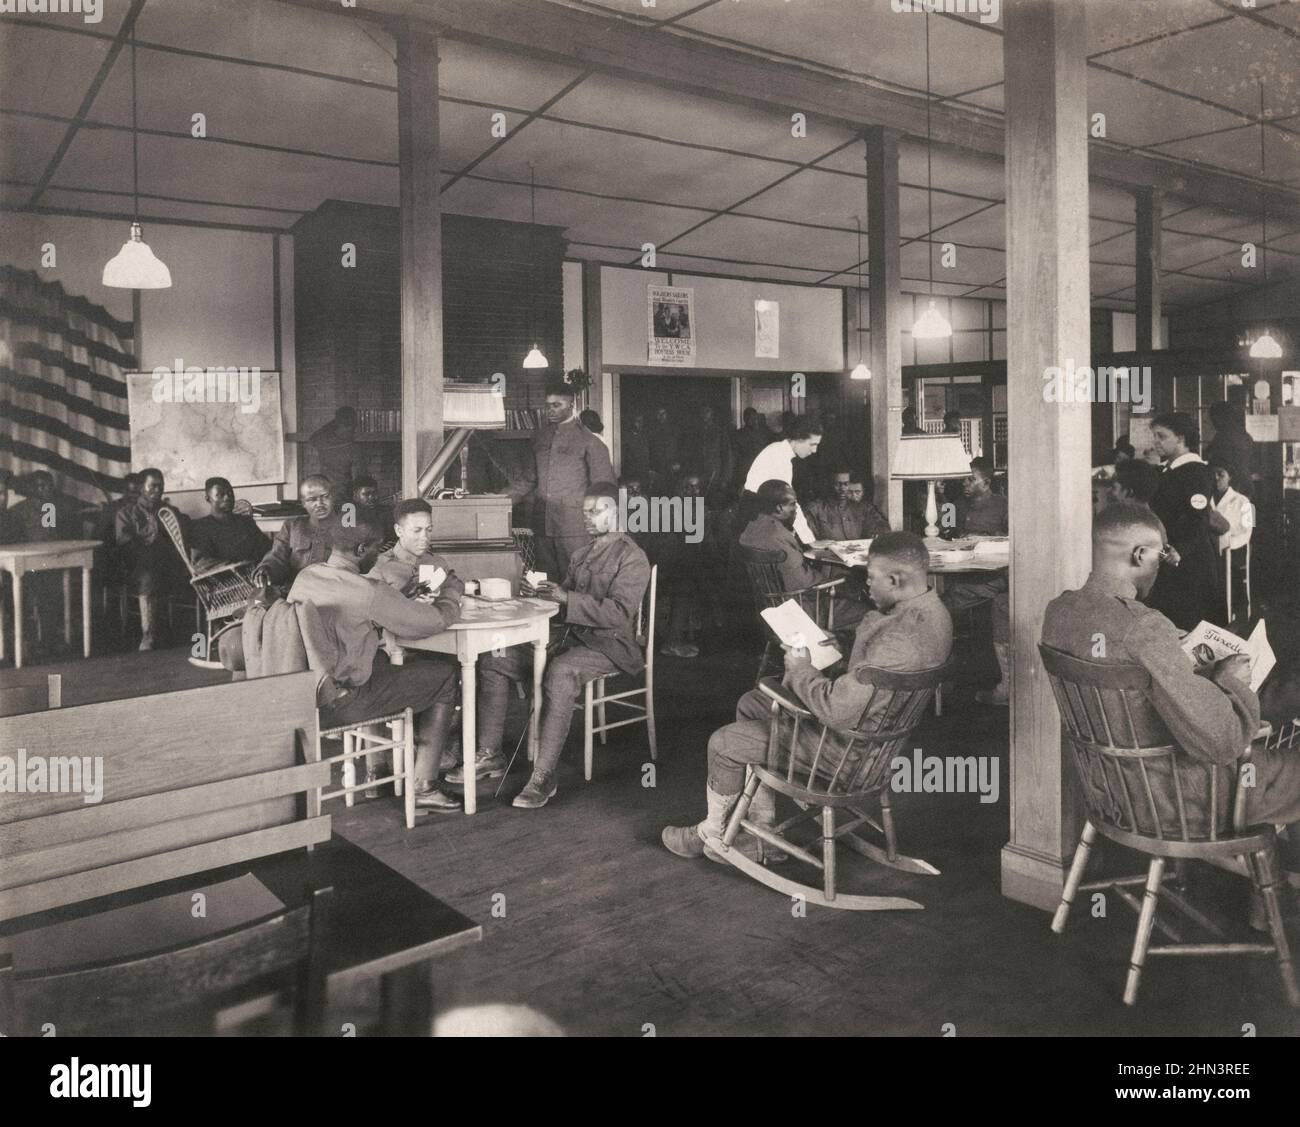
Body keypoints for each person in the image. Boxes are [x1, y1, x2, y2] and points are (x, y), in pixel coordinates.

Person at [1042, 503, 1300, 915]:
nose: (1162, 566)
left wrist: (1174, 652)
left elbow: (1115, 647)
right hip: (1176, 800)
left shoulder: (1061, 611)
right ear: (1139, 555)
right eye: (1160, 555)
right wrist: (1232, 678)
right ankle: (1271, 904)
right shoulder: (1145, 627)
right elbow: (1223, 744)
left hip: (1111, 791)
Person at [662, 531, 953, 863]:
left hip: (848, 754)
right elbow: (882, 677)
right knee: (752, 703)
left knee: (724, 743)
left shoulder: (897, 641)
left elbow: (835, 710)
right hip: (876, 741)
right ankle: (764, 831)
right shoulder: (934, 613)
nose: (867, 586)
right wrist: (844, 648)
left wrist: (801, 668)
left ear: (896, 580)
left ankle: (711, 834)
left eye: (872, 579)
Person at [444, 483, 650, 810]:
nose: (588, 518)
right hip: (569, 639)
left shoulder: (633, 557)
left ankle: (543, 775)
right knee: (494, 658)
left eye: (597, 511)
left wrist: (566, 598)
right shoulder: (581, 555)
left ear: (619, 512)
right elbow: (562, 601)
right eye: (585, 512)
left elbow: (619, 614)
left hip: (610, 646)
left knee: (560, 672)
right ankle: (490, 753)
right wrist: (539, 592)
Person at [286, 517, 464, 812]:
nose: (379, 555)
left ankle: (378, 770)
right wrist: (451, 593)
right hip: (343, 703)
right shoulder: (368, 591)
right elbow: (435, 621)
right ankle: (424, 786)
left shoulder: (307, 575)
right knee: (445, 676)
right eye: (376, 549)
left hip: (305, 697)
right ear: (360, 548)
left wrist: (397, 599)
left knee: (381, 661)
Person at [739, 480, 867, 629]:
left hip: (769, 608)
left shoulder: (751, 528)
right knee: (868, 612)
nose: (795, 509)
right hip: (797, 611)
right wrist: (841, 580)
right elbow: (801, 583)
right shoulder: (778, 536)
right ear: (779, 507)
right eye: (792, 504)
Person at [525, 382, 614, 582]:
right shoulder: (539, 437)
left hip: (574, 528)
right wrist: (498, 499)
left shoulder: (590, 441)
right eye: (547, 405)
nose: (550, 410)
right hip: (542, 527)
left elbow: (604, 489)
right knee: (544, 585)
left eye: (556, 405)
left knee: (575, 583)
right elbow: (527, 479)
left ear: (571, 405)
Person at [1147, 412, 1223, 630]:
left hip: (1190, 562)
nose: (1156, 442)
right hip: (1170, 558)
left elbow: (1198, 518)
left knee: (1189, 624)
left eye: (1161, 436)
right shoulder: (1168, 470)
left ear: (1180, 438)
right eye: (1154, 436)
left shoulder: (1197, 472)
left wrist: (1180, 549)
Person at [112, 467, 183, 651]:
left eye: (161, 487)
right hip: (137, 568)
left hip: (166, 565)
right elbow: (125, 544)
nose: (157, 491)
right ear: (142, 488)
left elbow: (185, 532)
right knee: (148, 575)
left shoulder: (169, 511)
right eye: (153, 486)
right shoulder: (126, 513)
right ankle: (148, 635)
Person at [742, 416, 822, 544]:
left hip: (757, 515)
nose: (814, 450)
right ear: (798, 439)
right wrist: (810, 540)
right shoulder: (779, 458)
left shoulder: (778, 449)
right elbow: (790, 503)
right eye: (812, 444)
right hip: (755, 519)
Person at [253, 475, 340, 591]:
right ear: (303, 503)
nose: (319, 503)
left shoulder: (349, 527)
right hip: (295, 592)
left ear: (333, 497)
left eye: (325, 497)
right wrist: (266, 569)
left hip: (334, 592)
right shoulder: (292, 526)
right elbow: (277, 557)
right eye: (312, 499)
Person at [188, 477, 269, 571]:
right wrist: (237, 567)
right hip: (230, 580)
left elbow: (266, 547)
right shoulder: (201, 527)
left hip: (260, 573)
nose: (227, 497)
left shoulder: (246, 522)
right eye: (220, 495)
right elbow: (200, 563)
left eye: (230, 493)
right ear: (208, 499)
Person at [807, 469, 889, 541]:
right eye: (837, 484)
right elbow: (805, 534)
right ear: (830, 485)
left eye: (846, 484)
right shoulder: (816, 508)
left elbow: (880, 524)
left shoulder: (864, 507)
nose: (842, 489)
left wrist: (879, 532)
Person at [1205, 401, 1254, 500]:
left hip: (1230, 485)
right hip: (1245, 483)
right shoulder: (1245, 436)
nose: (1210, 422)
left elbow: (1218, 463)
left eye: (1212, 418)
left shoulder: (1222, 437)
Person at [310, 407, 361, 498]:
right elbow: (358, 477)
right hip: (339, 492)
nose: (354, 430)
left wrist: (335, 422)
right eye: (352, 427)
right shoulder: (352, 447)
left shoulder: (322, 441)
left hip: (331, 491)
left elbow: (313, 438)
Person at [959, 457, 1008, 535]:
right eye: (964, 479)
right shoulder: (957, 504)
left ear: (986, 483)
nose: (964, 483)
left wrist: (986, 536)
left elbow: (1013, 539)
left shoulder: (1004, 506)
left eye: (971, 479)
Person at [731, 407, 770, 490]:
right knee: (699, 496)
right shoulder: (738, 435)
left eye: (755, 418)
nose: (753, 420)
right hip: (743, 473)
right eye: (750, 418)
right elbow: (734, 457)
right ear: (745, 419)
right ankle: (699, 503)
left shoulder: (764, 434)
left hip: (760, 472)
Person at [349, 475, 393, 545]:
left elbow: (393, 541)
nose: (372, 497)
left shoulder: (387, 513)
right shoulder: (349, 515)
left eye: (374, 493)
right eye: (366, 494)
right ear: (355, 496)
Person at [647, 405, 678, 486]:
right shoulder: (652, 431)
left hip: (671, 467)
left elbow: (678, 448)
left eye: (663, 413)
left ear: (667, 414)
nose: (661, 416)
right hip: (657, 467)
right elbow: (649, 450)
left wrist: (678, 462)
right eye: (659, 414)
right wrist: (650, 468)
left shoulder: (674, 430)